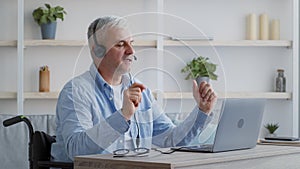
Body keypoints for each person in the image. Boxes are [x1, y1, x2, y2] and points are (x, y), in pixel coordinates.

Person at [51, 15, 217, 162]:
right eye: (121, 44)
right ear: (98, 51)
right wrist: (123, 116)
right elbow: (75, 150)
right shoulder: (76, 91)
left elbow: (170, 140)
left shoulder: (140, 90)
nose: (131, 51)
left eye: (131, 43)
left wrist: (202, 111)